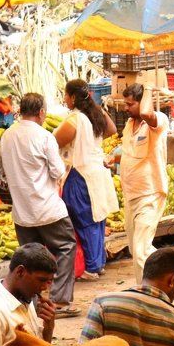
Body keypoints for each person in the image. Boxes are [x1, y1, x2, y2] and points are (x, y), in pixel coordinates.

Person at [0, 93, 77, 316]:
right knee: (65, 247)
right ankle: (59, 301)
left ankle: (30, 303)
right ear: (41, 112)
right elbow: (58, 171)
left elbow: (0, 169)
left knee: (29, 259)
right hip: (48, 208)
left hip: (22, 213)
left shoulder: (7, 136)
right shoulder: (44, 136)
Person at [54, 79, 119, 280]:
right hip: (98, 171)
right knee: (97, 219)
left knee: (83, 219)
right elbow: (112, 130)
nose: (64, 99)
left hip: (81, 173)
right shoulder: (96, 115)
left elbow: (53, 141)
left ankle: (91, 268)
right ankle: (98, 264)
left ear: (73, 97)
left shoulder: (74, 119)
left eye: (65, 95)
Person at [113, 83, 169, 284]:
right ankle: (143, 290)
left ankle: (170, 280)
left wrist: (148, 89)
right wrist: (113, 160)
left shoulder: (157, 120)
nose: (125, 108)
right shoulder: (129, 125)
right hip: (131, 195)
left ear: (142, 101)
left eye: (129, 104)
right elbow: (130, 153)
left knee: (142, 249)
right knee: (135, 250)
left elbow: (146, 112)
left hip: (150, 193)